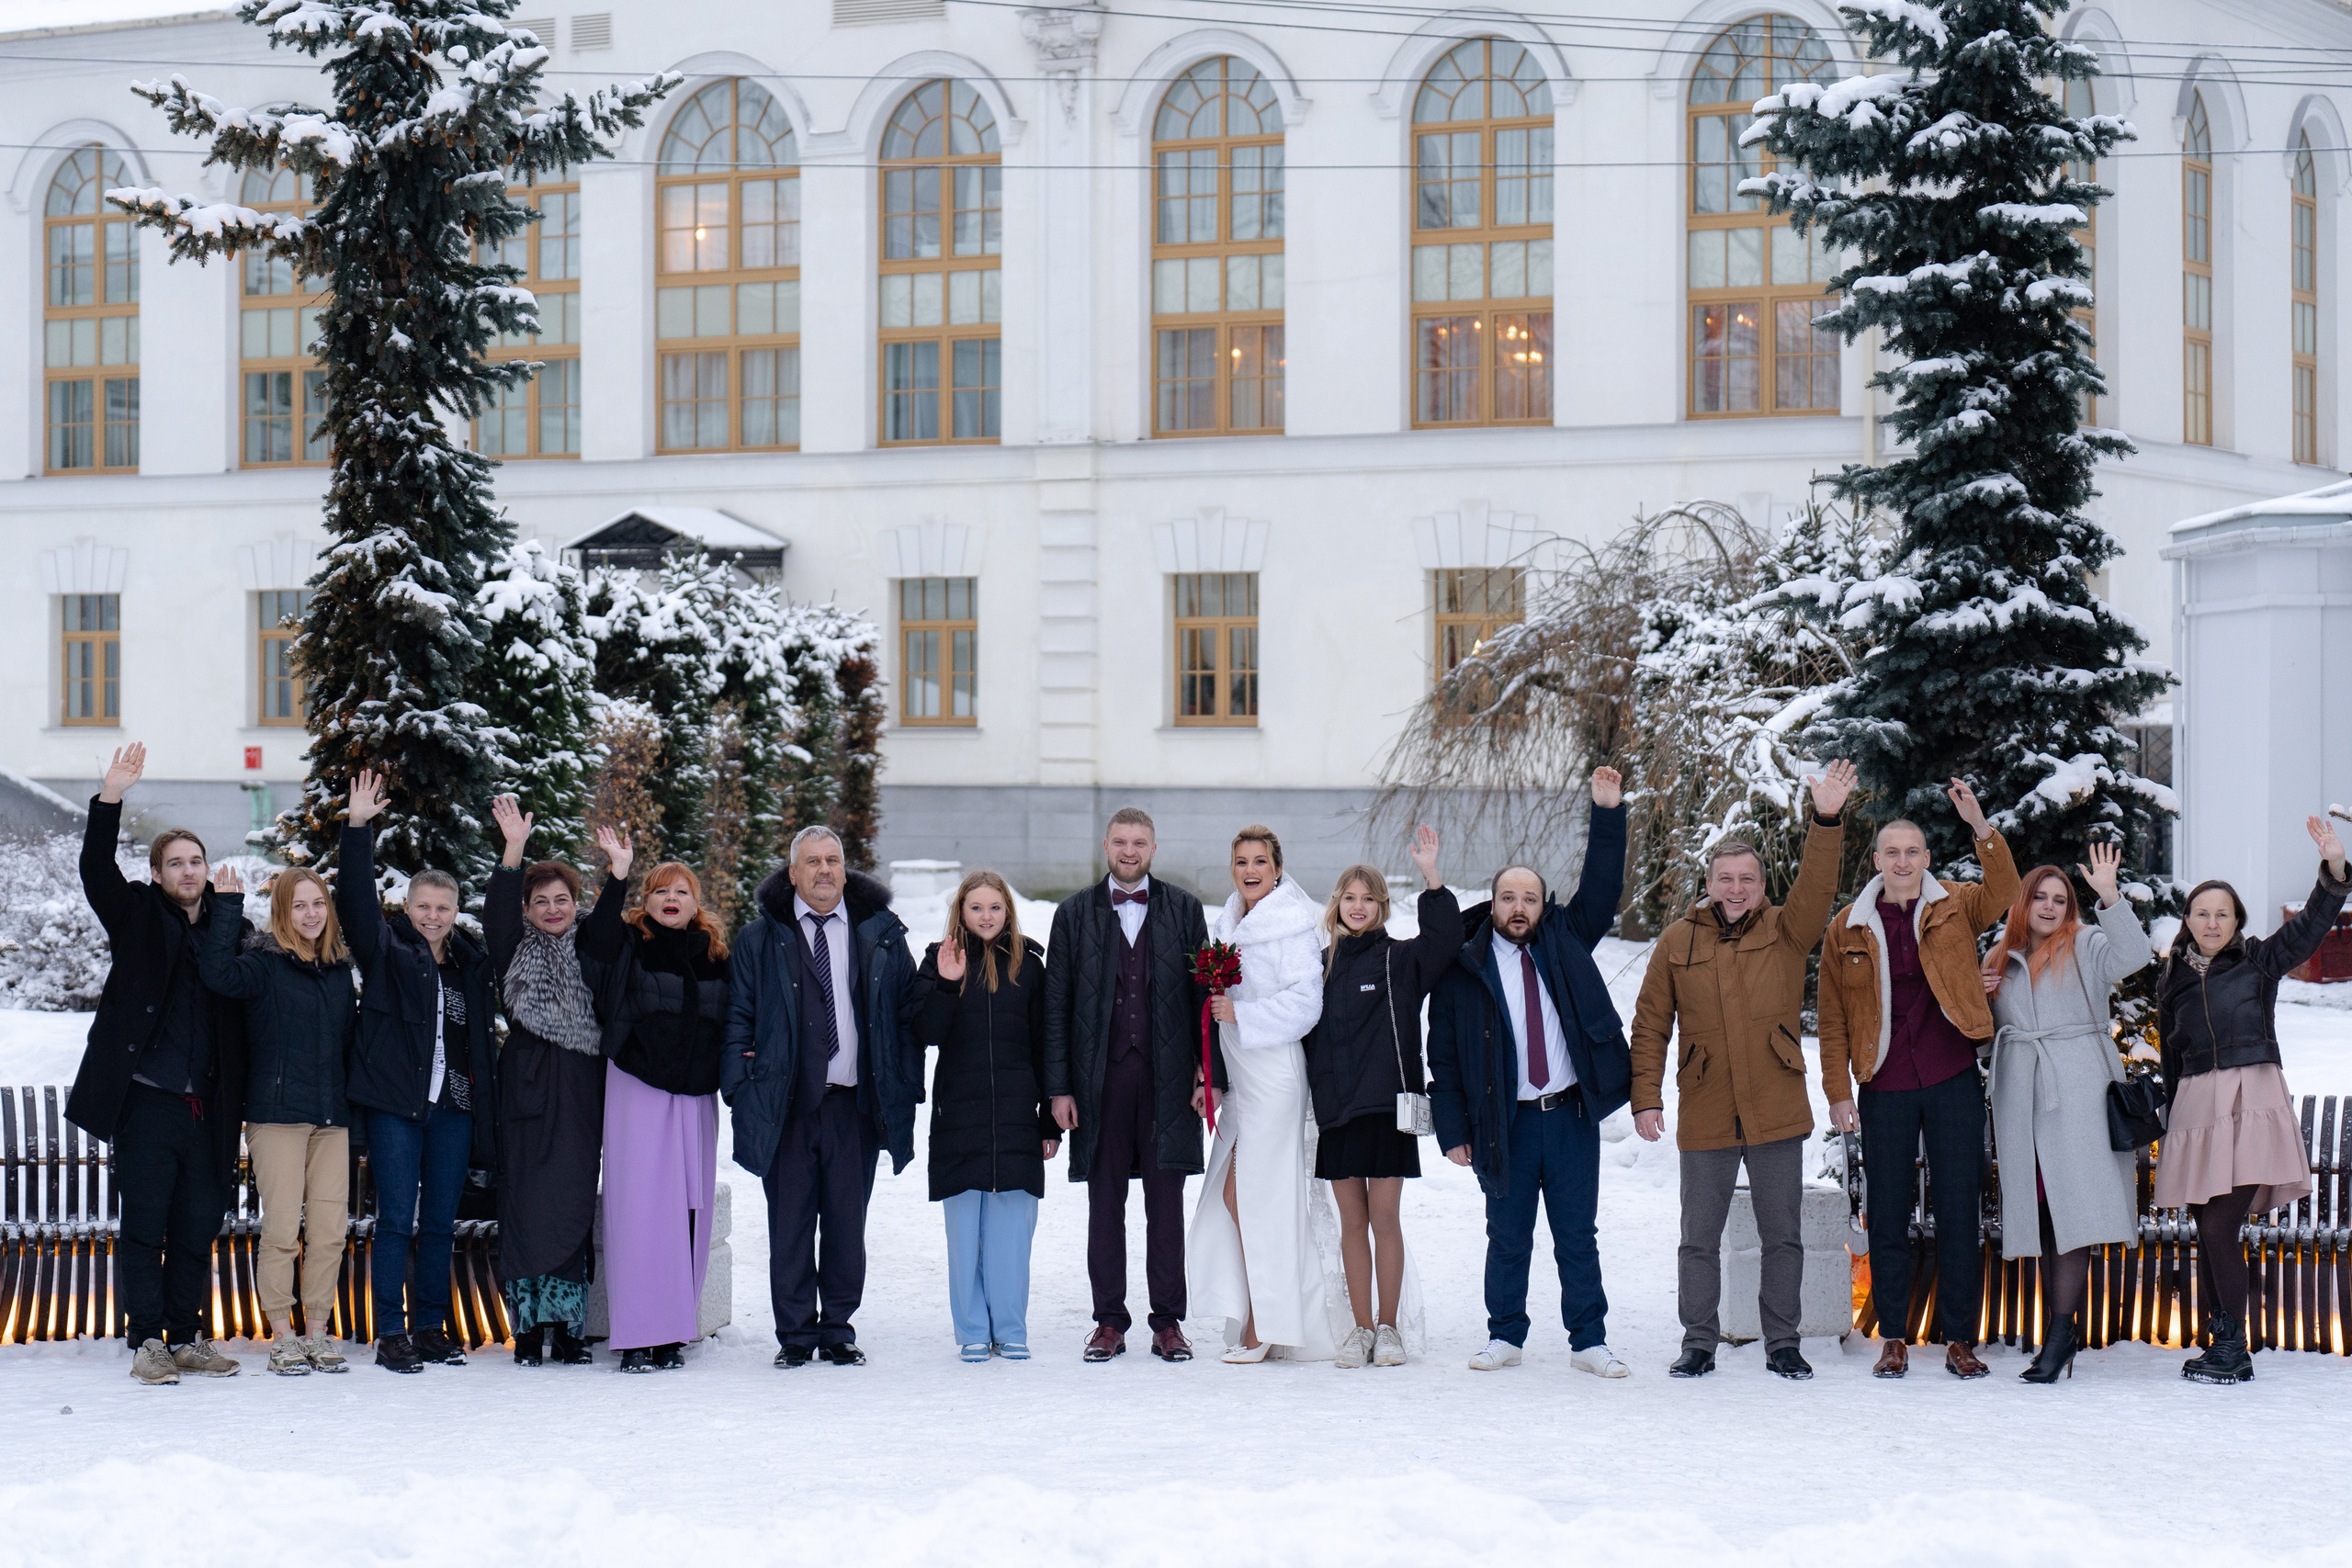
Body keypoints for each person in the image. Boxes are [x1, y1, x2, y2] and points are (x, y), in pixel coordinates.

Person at [1630, 759, 1854, 1382]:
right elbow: (1650, 1023)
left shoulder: (1787, 929)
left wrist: (1826, 817)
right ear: (1709, 882)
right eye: (1725, 878)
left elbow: (1816, 883)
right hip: (1706, 1104)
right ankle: (1698, 1340)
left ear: (1761, 883)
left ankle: (1783, 1340)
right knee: (1698, 1236)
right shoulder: (1679, 940)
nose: (1736, 888)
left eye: (1747, 878)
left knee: (1782, 1233)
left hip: (1776, 1102)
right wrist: (1645, 1097)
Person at [1428, 768, 1634, 1377]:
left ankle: (1589, 1339)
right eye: (1508, 897)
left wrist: (1607, 811)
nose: (1519, 907)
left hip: (1567, 1116)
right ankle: (1505, 1334)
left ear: (1545, 907)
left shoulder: (1566, 939)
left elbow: (1600, 886)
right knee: (1508, 1233)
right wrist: (1452, 1127)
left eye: (1530, 898)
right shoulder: (1462, 967)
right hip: (1503, 1122)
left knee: (1577, 1233)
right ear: (1492, 903)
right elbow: (1441, 1055)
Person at [1817, 780, 2018, 1380]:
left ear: (1926, 859)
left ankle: (1960, 1337)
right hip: (1885, 1081)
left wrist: (1980, 825)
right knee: (1889, 1210)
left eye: (1913, 851)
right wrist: (1837, 1091)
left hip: (1952, 1072)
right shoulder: (1846, 928)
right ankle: (1896, 1336)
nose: (1902, 860)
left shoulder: (1957, 902)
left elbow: (2006, 890)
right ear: (1877, 859)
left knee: (1959, 1208)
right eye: (1891, 851)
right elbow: (1830, 1017)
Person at [66, 742, 250, 1385]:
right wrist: (110, 797)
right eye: (176, 862)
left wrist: (228, 916)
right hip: (147, 1100)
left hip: (209, 1109)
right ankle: (147, 1340)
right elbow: (95, 871)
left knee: (198, 1224)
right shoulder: (139, 915)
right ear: (160, 871)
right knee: (145, 1223)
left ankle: (186, 1334)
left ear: (208, 867)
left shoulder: (230, 931)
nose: (189, 870)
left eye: (196, 860)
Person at [2155, 814, 2347, 1385]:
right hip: (2196, 1108)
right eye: (2202, 912)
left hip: (2250, 1102)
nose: (2212, 921)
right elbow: (2170, 1054)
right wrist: (2170, 1116)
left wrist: (2334, 870)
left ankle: (2233, 1348)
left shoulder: (2258, 961)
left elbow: (2310, 927)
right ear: (2187, 921)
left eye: (2223, 913)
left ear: (2237, 921)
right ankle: (2223, 1342)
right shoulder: (2174, 980)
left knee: (2218, 1227)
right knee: (2205, 1226)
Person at [723, 826, 919, 1368]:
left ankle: (837, 1328)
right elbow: (738, 1016)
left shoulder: (878, 932)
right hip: (784, 1107)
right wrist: (741, 1090)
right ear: (793, 873)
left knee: (845, 1225)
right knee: (789, 1226)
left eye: (833, 859)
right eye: (812, 862)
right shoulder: (761, 938)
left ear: (845, 867)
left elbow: (903, 1015)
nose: (824, 871)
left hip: (854, 1106)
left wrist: (901, 1082)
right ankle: (795, 1335)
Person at [336, 769, 500, 1374]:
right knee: (396, 1218)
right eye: (423, 906)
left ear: (457, 911)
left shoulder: (468, 963)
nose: (433, 915)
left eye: (443, 907)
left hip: (453, 1109)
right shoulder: (386, 952)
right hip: (396, 1107)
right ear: (407, 908)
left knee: (439, 1222)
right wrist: (358, 828)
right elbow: (353, 901)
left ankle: (430, 1324)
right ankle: (390, 1330)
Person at [1041, 807, 1215, 1364]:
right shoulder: (1072, 915)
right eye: (1121, 842)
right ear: (1106, 845)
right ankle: (1109, 1322)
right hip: (1099, 1081)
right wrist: (1060, 1088)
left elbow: (1203, 1000)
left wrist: (1206, 1072)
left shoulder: (1186, 910)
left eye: (1140, 842)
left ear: (1154, 848)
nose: (1130, 851)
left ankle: (1168, 1323)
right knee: (1104, 1202)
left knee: (1166, 1206)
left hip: (1167, 1080)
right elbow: (1056, 1007)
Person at [1980, 842, 2154, 1384]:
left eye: (2060, 899)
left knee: (2070, 1216)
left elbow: (2134, 958)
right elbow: (1985, 1043)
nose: (2050, 907)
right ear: (2024, 903)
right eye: (2041, 898)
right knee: (2044, 1215)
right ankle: (2061, 1332)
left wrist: (2109, 897)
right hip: (2021, 1098)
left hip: (2076, 1095)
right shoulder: (1998, 957)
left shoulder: (2085, 944)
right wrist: (1980, 999)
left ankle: (2059, 1335)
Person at [1306, 825, 1462, 1370]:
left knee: (1385, 1220)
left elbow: (1446, 941)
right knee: (1352, 1224)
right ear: (1336, 906)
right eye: (1349, 898)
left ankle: (1390, 1329)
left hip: (1389, 1110)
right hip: (1337, 1111)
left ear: (1381, 906)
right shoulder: (1317, 963)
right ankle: (1360, 1330)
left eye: (1367, 898)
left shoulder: (1401, 960)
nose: (1357, 906)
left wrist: (1433, 876)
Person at [484, 797, 632, 1368]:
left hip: (579, 1088)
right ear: (528, 908)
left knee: (571, 1205)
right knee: (522, 1205)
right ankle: (526, 1329)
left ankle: (568, 1329)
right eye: (540, 901)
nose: (552, 909)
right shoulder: (513, 947)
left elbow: (608, 923)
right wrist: (513, 849)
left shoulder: (590, 947)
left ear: (575, 905)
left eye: (561, 899)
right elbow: (496, 913)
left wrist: (617, 874)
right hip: (523, 1085)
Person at [195, 863, 356, 1376]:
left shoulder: (337, 969)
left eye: (318, 903)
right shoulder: (262, 965)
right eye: (299, 905)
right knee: (283, 1230)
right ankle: (282, 1335)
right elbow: (215, 973)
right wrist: (225, 907)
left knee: (330, 1230)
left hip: (332, 1119)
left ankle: (317, 1331)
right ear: (282, 912)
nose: (311, 914)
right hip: (276, 1115)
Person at [578, 861, 731, 1374]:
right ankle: (638, 1335)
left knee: (688, 1209)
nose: (671, 898)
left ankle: (673, 1331)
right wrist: (617, 878)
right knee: (640, 1210)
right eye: (660, 890)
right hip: (637, 1085)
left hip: (694, 1096)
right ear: (645, 900)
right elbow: (592, 943)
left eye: (682, 891)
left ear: (696, 901)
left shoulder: (715, 955)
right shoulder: (627, 942)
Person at [1188, 825, 1334, 1363]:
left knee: (1259, 1198)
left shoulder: (1294, 927)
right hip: (1243, 1080)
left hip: (1274, 1075)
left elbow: (1305, 1005)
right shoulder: (1229, 922)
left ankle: (1265, 1324)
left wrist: (1242, 1014)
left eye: (1260, 862)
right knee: (1230, 1196)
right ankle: (1256, 1312)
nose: (1250, 870)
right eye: (1241, 861)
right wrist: (1213, 1075)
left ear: (1277, 867)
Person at [908, 871, 1058, 1361]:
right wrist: (948, 985)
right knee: (964, 1235)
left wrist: (1049, 1122)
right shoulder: (941, 959)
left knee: (1012, 1234)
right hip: (960, 1115)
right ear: (961, 912)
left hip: (1016, 1116)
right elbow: (924, 1032)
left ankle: (1011, 1327)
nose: (986, 916)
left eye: (995, 907)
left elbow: (1046, 1046)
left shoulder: (1030, 967)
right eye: (976, 908)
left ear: (1008, 911)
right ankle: (972, 1328)